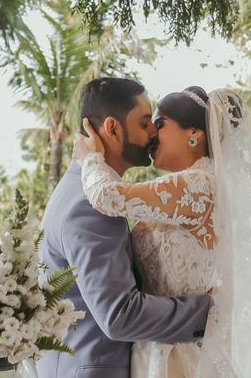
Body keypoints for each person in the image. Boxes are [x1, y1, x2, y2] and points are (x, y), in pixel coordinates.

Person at [64, 82, 251, 377]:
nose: (152, 133)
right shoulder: (180, 190)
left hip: (181, 354)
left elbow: (108, 197)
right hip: (158, 345)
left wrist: (90, 157)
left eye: (161, 123)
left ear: (194, 135)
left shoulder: (198, 185)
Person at [37, 79, 213, 378]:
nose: (153, 133)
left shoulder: (85, 193)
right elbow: (120, 314)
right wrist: (211, 312)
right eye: (146, 123)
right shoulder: (88, 205)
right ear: (113, 128)